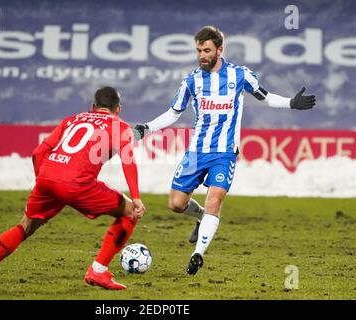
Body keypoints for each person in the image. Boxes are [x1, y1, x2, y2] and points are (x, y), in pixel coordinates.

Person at [133, 26, 315, 275]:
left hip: (225, 153)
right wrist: (147, 128)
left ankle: (197, 254)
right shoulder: (191, 81)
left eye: (206, 50)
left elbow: (265, 97)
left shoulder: (240, 75)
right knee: (176, 204)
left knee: (214, 201)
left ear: (219, 50)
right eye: (198, 50)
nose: (201, 55)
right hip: (196, 152)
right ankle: (199, 218)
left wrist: (291, 103)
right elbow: (174, 112)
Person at [0, 86, 145, 290]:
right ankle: (98, 271)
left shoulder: (71, 120)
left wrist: (43, 183)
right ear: (118, 109)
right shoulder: (120, 127)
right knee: (130, 213)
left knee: (25, 226)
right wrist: (137, 197)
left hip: (47, 177)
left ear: (93, 107)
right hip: (78, 184)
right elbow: (128, 160)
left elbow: (39, 152)